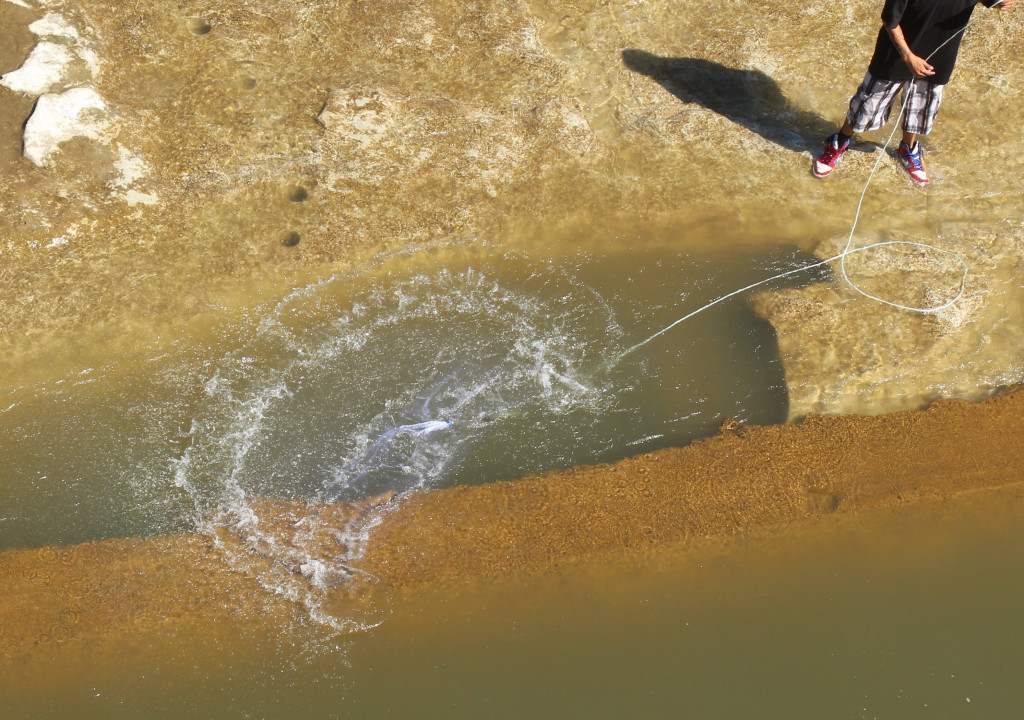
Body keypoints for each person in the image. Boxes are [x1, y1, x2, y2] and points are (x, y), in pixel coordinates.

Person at [812, 0, 1014, 184]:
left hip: (938, 58)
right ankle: (840, 140)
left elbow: (990, 1)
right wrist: (908, 57)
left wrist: (1000, 3)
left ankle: (908, 149)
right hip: (896, 55)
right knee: (867, 106)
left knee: (919, 109)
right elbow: (890, 21)